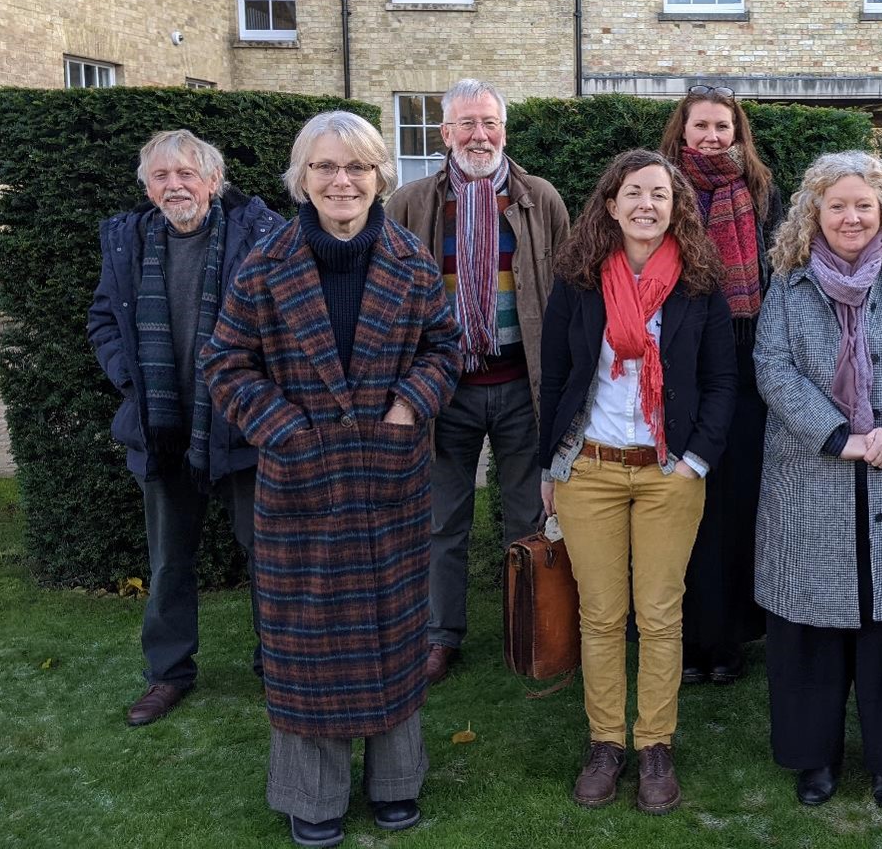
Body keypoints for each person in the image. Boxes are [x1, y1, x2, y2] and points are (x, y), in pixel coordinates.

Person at [202, 111, 463, 848]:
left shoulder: (411, 260)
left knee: (392, 631)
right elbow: (226, 362)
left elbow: (444, 349)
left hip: (388, 478)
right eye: (324, 167)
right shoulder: (265, 261)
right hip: (301, 484)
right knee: (306, 640)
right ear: (302, 177)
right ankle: (310, 793)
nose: (341, 181)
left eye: (356, 167)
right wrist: (283, 432)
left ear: (380, 175)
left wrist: (411, 405)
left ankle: (394, 782)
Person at [754, 151, 882, 810]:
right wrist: (837, 433)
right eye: (837, 204)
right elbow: (773, 366)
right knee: (809, 631)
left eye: (862, 205)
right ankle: (812, 759)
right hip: (809, 476)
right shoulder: (788, 282)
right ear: (815, 211)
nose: (850, 216)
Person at [538, 149, 737, 815]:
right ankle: (604, 742)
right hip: (590, 467)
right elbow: (557, 373)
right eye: (634, 192)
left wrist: (696, 459)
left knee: (657, 613)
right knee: (601, 613)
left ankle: (654, 744)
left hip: (667, 471)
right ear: (611, 202)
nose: (647, 204)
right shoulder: (580, 278)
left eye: (660, 193)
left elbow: (721, 382)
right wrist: (552, 464)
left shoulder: (699, 283)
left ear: (676, 206)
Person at [88, 129, 284, 727]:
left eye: (186, 175)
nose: (175, 187)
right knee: (170, 560)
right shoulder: (129, 242)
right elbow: (103, 319)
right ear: (147, 188)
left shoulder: (261, 232)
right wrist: (132, 382)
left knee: (267, 556)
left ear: (213, 180)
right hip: (163, 427)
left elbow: (285, 323)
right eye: (161, 178)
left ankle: (277, 667)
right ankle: (168, 674)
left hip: (241, 429)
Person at [385, 78, 570, 684]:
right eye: (466, 124)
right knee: (442, 519)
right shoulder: (410, 203)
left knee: (528, 517)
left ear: (504, 131)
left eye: (489, 123)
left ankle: (530, 631)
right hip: (445, 387)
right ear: (445, 134)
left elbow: (566, 295)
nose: (479, 135)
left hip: (522, 385)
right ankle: (442, 636)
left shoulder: (540, 199)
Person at [657, 84, 784, 685]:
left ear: (738, 134)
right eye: (701, 126)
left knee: (735, 503)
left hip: (746, 363)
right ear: (682, 131)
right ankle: (680, 638)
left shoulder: (760, 192)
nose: (711, 137)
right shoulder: (660, 188)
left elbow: (781, 274)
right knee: (679, 503)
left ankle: (729, 636)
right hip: (680, 362)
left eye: (722, 127)